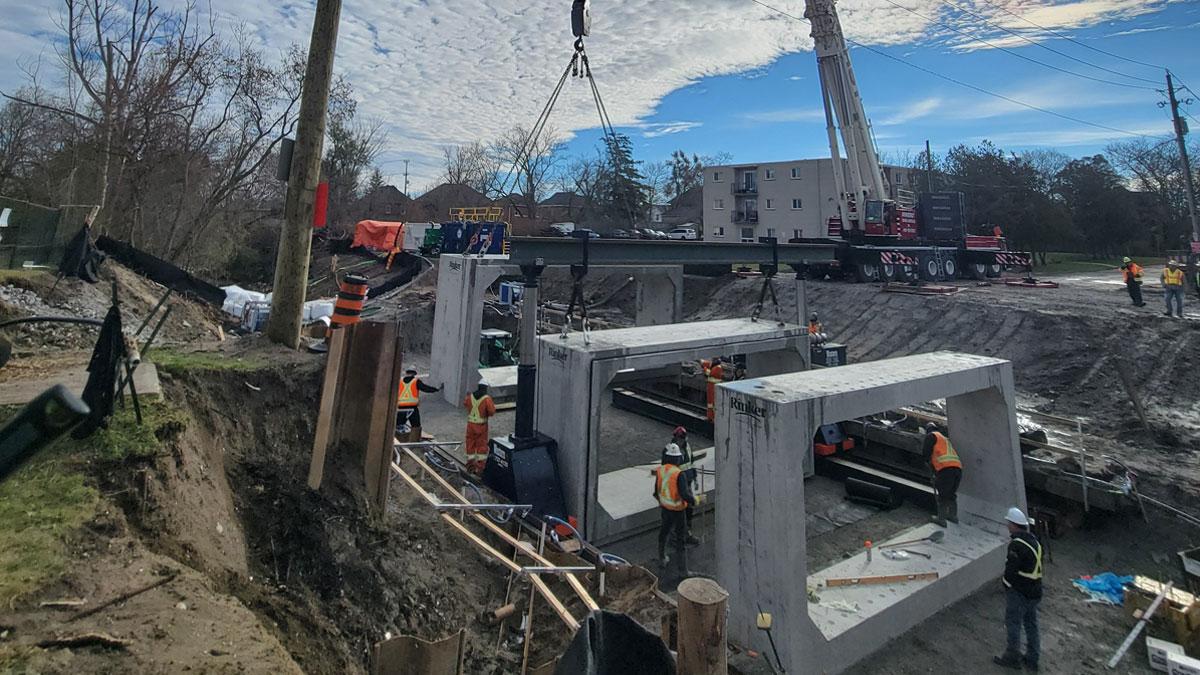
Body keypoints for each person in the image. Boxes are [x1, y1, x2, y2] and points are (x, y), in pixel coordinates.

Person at [994, 507, 1044, 672]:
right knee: (1031, 625)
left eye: (1009, 523)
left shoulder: (1017, 545)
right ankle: (1032, 658)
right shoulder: (1035, 542)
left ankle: (1012, 656)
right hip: (1035, 591)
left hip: (1021, 591)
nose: (1008, 526)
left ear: (1014, 525)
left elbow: (1011, 570)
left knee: (1013, 623)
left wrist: (1006, 585)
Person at [653, 442, 696, 576]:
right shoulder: (679, 474)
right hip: (678, 511)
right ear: (677, 458)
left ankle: (662, 559)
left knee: (663, 534)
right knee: (680, 540)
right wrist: (695, 500)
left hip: (665, 509)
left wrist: (662, 501)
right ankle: (683, 571)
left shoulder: (661, 471)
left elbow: (656, 491)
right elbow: (684, 494)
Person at [922, 422, 962, 527]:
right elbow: (940, 456)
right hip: (957, 468)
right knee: (951, 494)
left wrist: (926, 462)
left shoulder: (931, 436)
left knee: (943, 495)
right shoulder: (944, 439)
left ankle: (941, 519)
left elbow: (926, 453)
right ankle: (953, 516)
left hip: (946, 469)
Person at [672, 426, 701, 546]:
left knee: (689, 509)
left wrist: (695, 479)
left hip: (687, 482)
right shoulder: (671, 450)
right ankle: (675, 537)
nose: (681, 441)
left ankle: (687, 532)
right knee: (678, 511)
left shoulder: (687, 446)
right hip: (678, 485)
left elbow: (691, 463)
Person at [396, 367, 442, 442]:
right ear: (414, 374)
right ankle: (414, 442)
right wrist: (435, 389)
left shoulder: (400, 381)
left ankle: (399, 443)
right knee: (416, 426)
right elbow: (425, 388)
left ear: (406, 373)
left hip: (401, 408)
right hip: (412, 408)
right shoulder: (416, 381)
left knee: (399, 426)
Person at [463, 380, 496, 475]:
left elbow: (465, 403)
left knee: (470, 445)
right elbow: (491, 412)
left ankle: (470, 466)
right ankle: (480, 468)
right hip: (481, 427)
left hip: (470, 425)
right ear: (486, 388)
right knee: (481, 447)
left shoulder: (471, 396)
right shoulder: (486, 399)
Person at [701, 357, 724, 422]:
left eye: (713, 360)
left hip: (714, 387)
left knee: (713, 403)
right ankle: (710, 417)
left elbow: (710, 373)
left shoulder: (718, 367)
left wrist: (705, 368)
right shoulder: (714, 365)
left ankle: (714, 418)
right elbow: (706, 363)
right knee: (710, 404)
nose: (712, 361)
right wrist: (702, 362)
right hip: (710, 386)